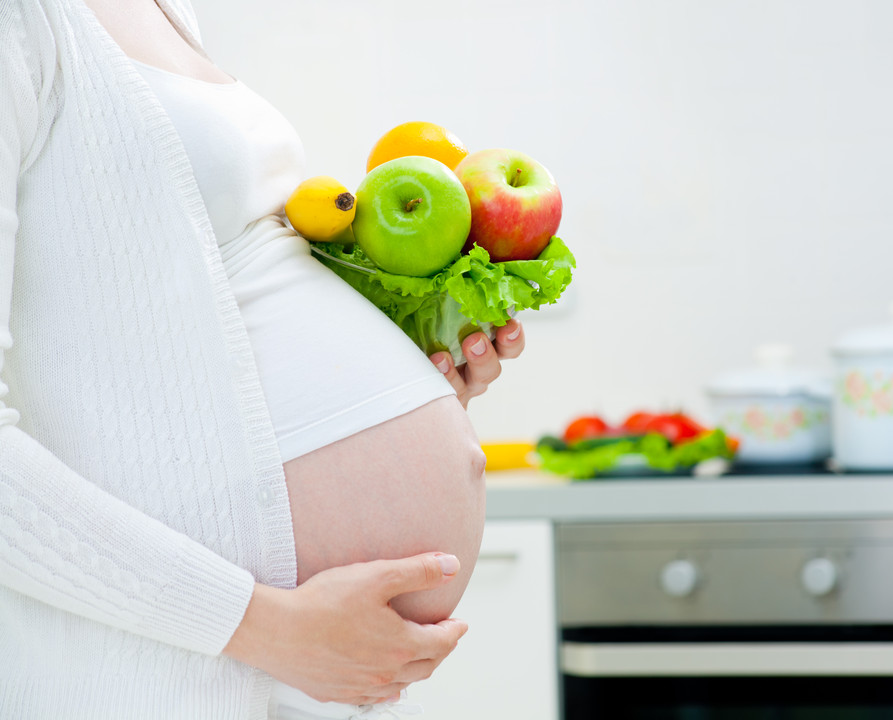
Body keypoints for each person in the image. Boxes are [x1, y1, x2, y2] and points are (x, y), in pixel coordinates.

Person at [0, 0, 526, 717]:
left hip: (277, 674)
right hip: (169, 669)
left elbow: (178, 328)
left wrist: (404, 371)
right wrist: (262, 628)